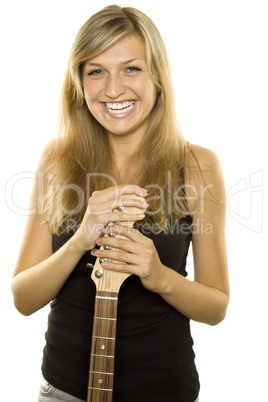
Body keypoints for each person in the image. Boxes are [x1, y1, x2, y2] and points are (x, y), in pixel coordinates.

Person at [11, 5, 229, 402]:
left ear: (157, 76)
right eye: (96, 71)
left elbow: (216, 306)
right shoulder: (57, 160)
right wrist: (80, 239)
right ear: (79, 82)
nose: (113, 89)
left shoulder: (198, 166)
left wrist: (158, 275)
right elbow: (23, 298)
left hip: (164, 390)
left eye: (131, 68)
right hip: (63, 391)